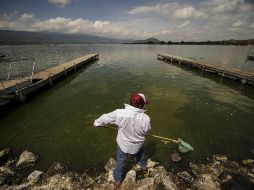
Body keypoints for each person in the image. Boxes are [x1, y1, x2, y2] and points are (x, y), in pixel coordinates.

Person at [93, 92, 151, 187]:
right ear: (141, 105)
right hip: (137, 145)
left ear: (130, 102)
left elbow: (105, 117)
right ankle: (143, 166)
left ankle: (117, 180)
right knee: (140, 153)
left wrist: (97, 123)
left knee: (120, 160)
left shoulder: (119, 113)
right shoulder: (146, 118)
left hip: (123, 145)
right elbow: (147, 131)